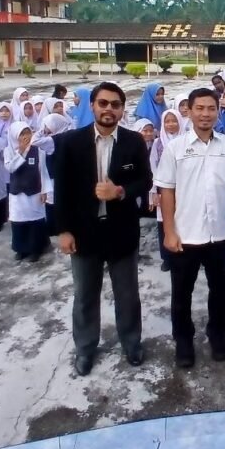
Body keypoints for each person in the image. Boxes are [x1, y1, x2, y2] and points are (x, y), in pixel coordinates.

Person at [54, 82, 152, 373]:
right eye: (103, 103)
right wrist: (64, 230)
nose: (109, 109)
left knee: (127, 295)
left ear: (122, 109)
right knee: (85, 295)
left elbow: (145, 181)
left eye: (115, 104)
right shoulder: (71, 142)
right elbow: (62, 190)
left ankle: (131, 343)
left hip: (121, 231)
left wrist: (120, 191)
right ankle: (85, 349)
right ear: (92, 105)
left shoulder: (134, 142)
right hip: (84, 233)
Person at [155, 88, 225, 368]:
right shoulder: (175, 148)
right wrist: (169, 231)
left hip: (219, 234)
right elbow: (166, 191)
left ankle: (217, 336)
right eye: (200, 108)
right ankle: (183, 341)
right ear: (190, 111)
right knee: (181, 293)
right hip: (185, 235)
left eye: (211, 108)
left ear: (218, 111)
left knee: (220, 291)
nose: (206, 114)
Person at [4, 123, 50, 263]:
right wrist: (21, 152)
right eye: (22, 134)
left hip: (34, 192)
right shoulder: (9, 151)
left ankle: (35, 249)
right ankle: (21, 249)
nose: (26, 137)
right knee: (18, 221)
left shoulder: (38, 151)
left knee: (34, 221)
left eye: (28, 133)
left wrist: (44, 190)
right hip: (17, 194)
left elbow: (43, 172)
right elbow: (10, 168)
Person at [150, 109, 183, 271]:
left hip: (183, 188)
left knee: (182, 221)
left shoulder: (186, 140)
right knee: (164, 222)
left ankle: (182, 253)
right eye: (167, 121)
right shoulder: (158, 143)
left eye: (174, 121)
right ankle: (167, 258)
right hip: (163, 189)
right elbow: (153, 167)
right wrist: (154, 192)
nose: (171, 124)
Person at [37, 112, 71, 238]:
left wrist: (41, 131)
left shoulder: (53, 140)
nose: (45, 128)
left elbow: (34, 141)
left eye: (46, 125)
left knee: (53, 202)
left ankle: (55, 229)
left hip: (55, 174)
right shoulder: (67, 135)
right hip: (63, 174)